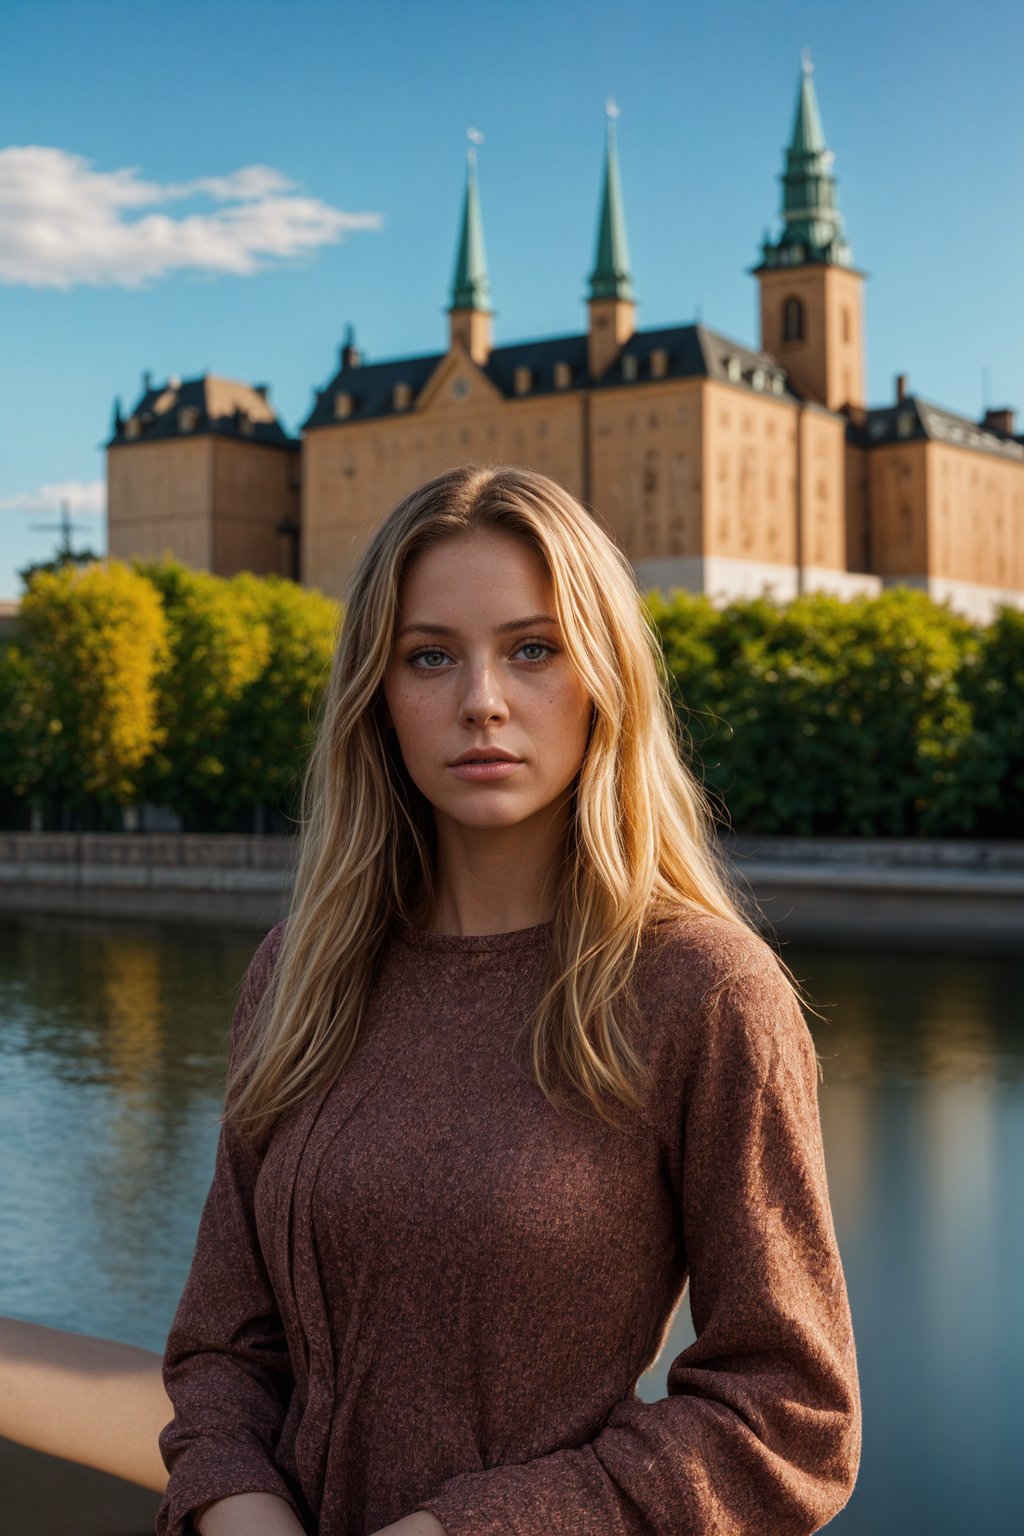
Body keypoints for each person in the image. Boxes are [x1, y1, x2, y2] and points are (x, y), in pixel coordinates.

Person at [156, 463, 862, 1536]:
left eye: (532, 649)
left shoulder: (705, 993)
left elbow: (787, 1417)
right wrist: (240, 1510)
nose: (480, 699)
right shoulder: (300, 970)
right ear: (378, 698)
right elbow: (222, 1346)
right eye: (429, 657)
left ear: (603, 676)